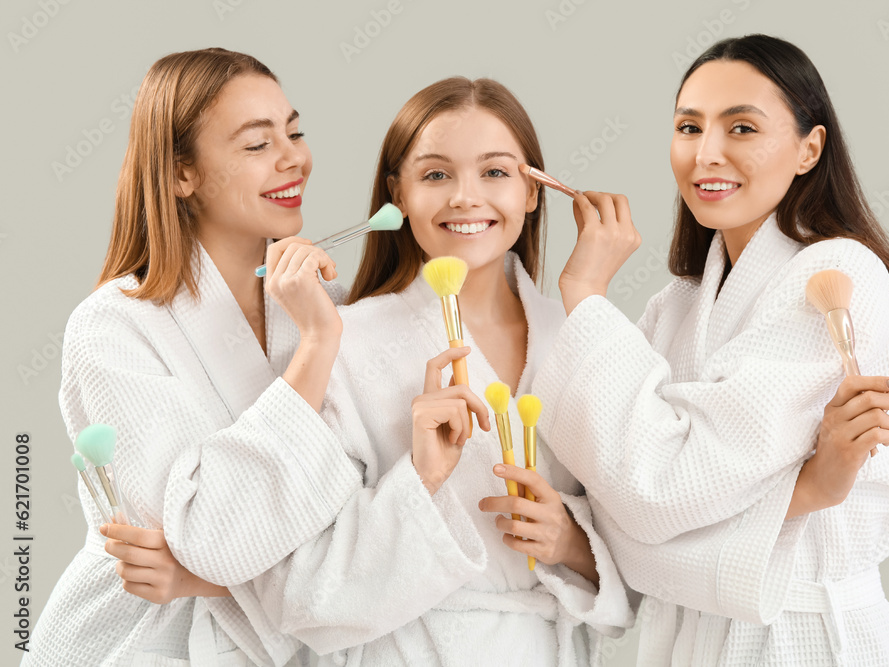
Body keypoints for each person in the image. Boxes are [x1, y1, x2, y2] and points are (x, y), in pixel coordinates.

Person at [108, 76, 636, 666]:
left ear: (535, 191)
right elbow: (303, 593)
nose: (465, 197)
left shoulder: (586, 339)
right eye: (436, 175)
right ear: (398, 195)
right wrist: (422, 480)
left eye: (495, 172)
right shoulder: (347, 342)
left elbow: (648, 542)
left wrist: (571, 541)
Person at [531, 35, 889, 665]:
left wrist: (584, 291)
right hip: (686, 639)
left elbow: (656, 491)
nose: (705, 154)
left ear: (809, 149)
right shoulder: (676, 306)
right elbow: (622, 502)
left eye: (742, 127)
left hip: (800, 637)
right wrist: (800, 492)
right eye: (689, 127)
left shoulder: (838, 275)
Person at [26, 48, 360, 666]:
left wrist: (201, 574)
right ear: (183, 174)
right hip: (141, 643)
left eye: (295, 131)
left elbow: (361, 534)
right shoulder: (113, 327)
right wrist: (316, 348)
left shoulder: (326, 306)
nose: (294, 157)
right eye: (258, 144)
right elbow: (213, 536)